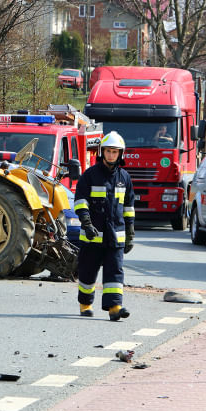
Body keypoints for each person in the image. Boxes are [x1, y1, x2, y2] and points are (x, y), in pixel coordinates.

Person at [73, 131, 135, 321]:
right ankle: (85, 303)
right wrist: (87, 223)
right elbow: (80, 202)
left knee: (114, 271)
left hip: (115, 236)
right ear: (102, 152)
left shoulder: (125, 178)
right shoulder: (90, 175)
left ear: (120, 154)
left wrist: (130, 233)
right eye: (108, 151)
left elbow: (129, 207)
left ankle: (115, 307)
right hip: (92, 236)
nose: (111, 155)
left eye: (115, 152)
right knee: (87, 272)